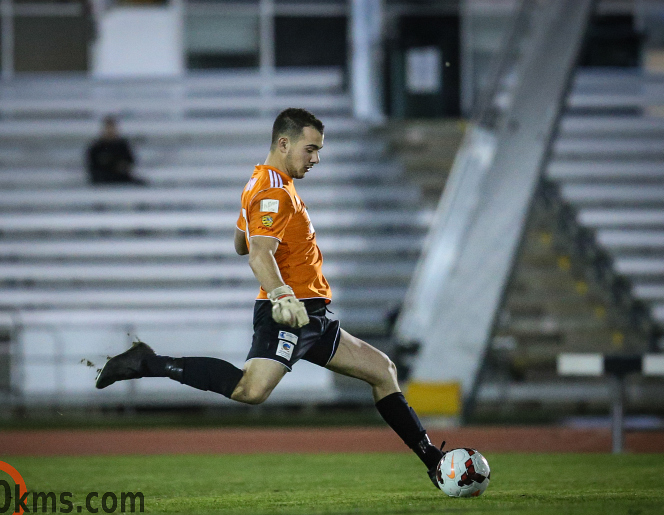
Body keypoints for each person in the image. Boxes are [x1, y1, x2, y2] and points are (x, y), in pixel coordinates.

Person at [95, 108, 445, 487]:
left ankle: (434, 461)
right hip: (289, 312)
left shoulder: (260, 184)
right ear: (284, 143)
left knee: (383, 370)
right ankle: (147, 362)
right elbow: (258, 253)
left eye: (318, 151)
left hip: (314, 315)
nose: (316, 159)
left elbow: (240, 244)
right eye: (310, 149)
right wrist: (281, 294)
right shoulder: (274, 192)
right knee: (251, 389)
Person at [86, 115, 146, 185]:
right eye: (108, 128)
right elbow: (91, 166)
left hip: (121, 178)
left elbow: (130, 161)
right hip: (102, 179)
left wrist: (123, 166)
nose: (110, 131)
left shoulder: (122, 145)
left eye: (112, 128)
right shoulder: (96, 147)